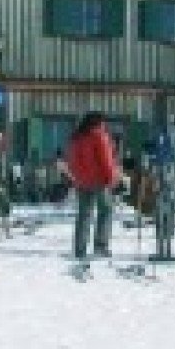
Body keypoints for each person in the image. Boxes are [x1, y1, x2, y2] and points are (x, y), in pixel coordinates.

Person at [66, 111, 121, 261]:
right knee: (106, 210)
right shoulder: (99, 135)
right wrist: (112, 178)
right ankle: (100, 246)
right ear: (98, 122)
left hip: (82, 181)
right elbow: (106, 160)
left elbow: (71, 161)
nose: (105, 125)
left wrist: (77, 177)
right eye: (103, 122)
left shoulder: (76, 138)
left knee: (84, 214)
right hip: (99, 180)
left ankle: (79, 249)